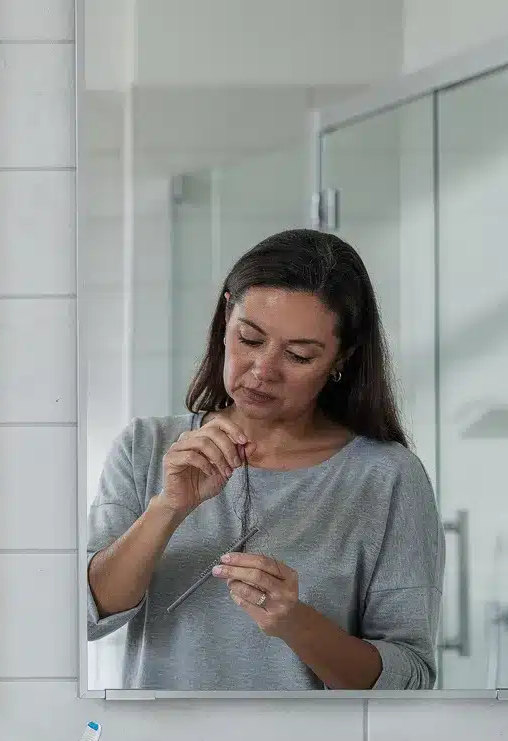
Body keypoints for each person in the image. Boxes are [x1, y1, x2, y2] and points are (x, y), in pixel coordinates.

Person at [86, 229, 441, 691]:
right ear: (225, 317)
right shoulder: (145, 447)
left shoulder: (388, 477)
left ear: (341, 359)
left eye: (298, 355)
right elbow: (86, 620)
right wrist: (167, 508)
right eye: (249, 339)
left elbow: (410, 679)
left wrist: (296, 623)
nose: (262, 371)